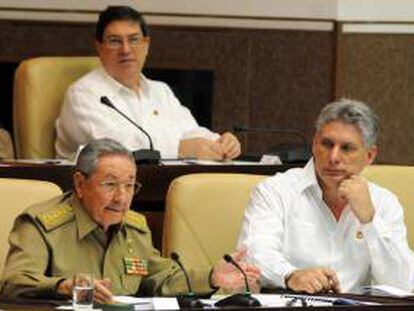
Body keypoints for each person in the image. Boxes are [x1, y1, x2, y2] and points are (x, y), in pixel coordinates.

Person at [0, 138, 259, 302]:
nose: (121, 198)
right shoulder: (41, 225)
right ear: (80, 183)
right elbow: (14, 282)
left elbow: (161, 278)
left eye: (130, 185)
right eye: (110, 184)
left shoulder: (134, 227)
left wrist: (212, 277)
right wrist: (64, 286)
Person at [237, 99, 414, 294]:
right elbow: (253, 255)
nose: (333, 157)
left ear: (370, 156)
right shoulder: (275, 191)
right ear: (314, 144)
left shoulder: (383, 202)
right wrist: (290, 275)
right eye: (327, 144)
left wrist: (369, 221)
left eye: (347, 148)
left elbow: (402, 283)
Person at [55, 5, 240, 160]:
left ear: (146, 45)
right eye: (114, 41)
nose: (126, 49)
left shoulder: (161, 91)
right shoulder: (83, 94)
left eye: (134, 40)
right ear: (99, 47)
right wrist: (181, 149)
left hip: (160, 189)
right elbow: (116, 149)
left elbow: (189, 131)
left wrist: (219, 142)